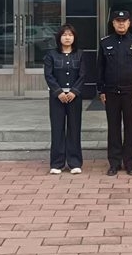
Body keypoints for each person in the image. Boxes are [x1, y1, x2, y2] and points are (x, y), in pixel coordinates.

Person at [97, 10, 132, 176]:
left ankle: (130, 163)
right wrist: (101, 89)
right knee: (113, 128)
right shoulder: (105, 42)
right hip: (111, 92)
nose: (121, 23)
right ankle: (114, 163)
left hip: (130, 92)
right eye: (118, 21)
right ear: (113, 23)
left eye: (124, 21)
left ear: (129, 23)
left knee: (131, 129)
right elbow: (100, 67)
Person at [43, 24, 87, 175]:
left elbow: (82, 75)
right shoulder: (51, 55)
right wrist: (58, 92)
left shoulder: (80, 54)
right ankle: (57, 163)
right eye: (64, 35)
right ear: (59, 37)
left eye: (70, 35)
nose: (67, 38)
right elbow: (48, 75)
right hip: (57, 98)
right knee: (57, 129)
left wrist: (74, 91)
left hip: (74, 97)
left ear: (74, 38)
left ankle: (75, 162)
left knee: (74, 129)